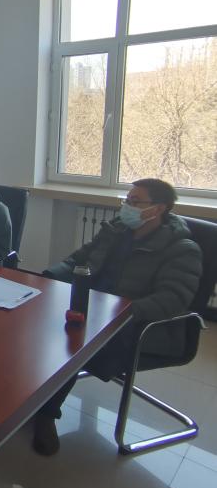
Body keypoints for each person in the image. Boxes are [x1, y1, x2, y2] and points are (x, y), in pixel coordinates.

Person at [32, 178, 202, 456]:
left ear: (158, 209)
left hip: (134, 325)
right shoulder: (116, 230)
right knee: (31, 324)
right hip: (92, 309)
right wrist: (48, 277)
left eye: (135, 202)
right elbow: (78, 259)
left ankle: (45, 415)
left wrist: (120, 313)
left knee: (68, 345)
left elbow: (172, 299)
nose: (127, 207)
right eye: (127, 200)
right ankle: (27, 396)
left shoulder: (181, 248)